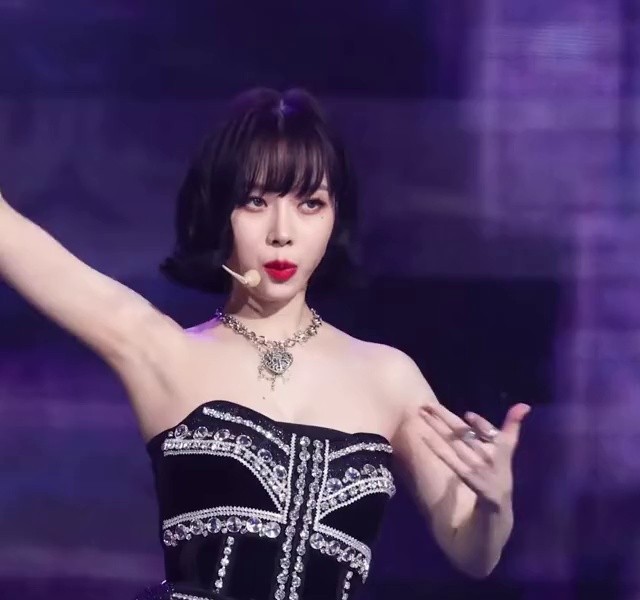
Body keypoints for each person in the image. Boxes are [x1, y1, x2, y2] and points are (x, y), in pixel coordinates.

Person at [0, 88, 530, 600]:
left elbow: (473, 552)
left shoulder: (388, 377)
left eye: (310, 204)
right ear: (221, 212)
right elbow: (22, 247)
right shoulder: (166, 354)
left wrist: (494, 503)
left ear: (335, 218)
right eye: (255, 201)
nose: (282, 232)